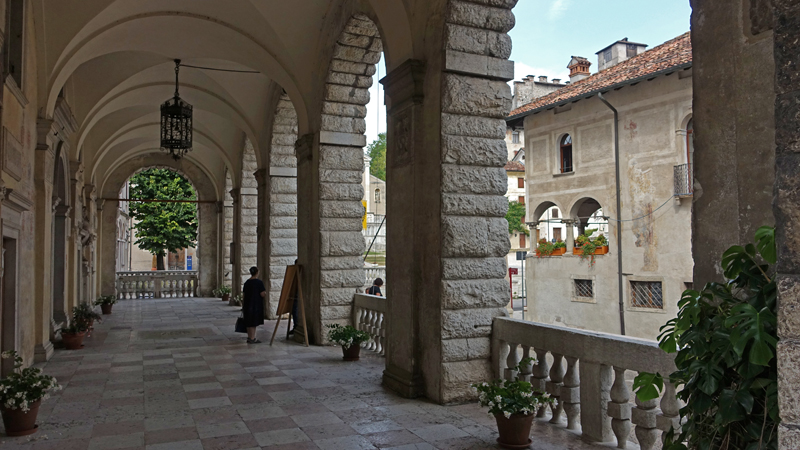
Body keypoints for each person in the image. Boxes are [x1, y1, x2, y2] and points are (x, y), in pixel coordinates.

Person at [242, 266, 266, 343]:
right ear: (257, 272)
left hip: (247, 304)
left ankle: (249, 337)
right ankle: (252, 338)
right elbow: (262, 294)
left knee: (248, 321)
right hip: (255, 304)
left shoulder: (247, 283)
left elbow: (244, 294)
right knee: (253, 322)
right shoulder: (259, 283)